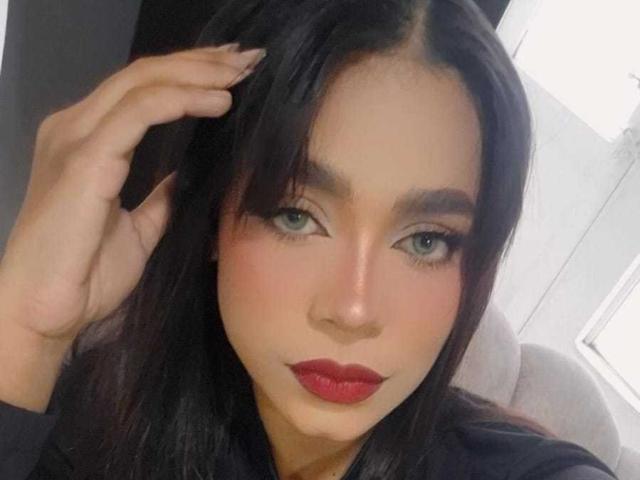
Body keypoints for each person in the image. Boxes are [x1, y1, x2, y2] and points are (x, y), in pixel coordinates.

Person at [0, 0, 620, 479]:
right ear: (213, 216)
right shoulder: (107, 416)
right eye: (296, 216)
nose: (353, 310)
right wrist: (26, 329)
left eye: (426, 241)